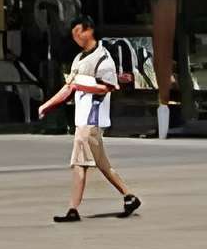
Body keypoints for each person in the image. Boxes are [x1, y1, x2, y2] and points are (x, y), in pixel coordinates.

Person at [36, 18, 139, 223]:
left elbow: (107, 87)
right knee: (102, 164)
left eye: (78, 32)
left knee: (79, 164)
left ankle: (73, 209)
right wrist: (47, 105)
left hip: (91, 120)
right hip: (83, 118)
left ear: (89, 31)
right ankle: (129, 196)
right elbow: (69, 87)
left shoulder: (103, 59)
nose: (75, 37)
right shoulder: (79, 59)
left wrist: (81, 87)